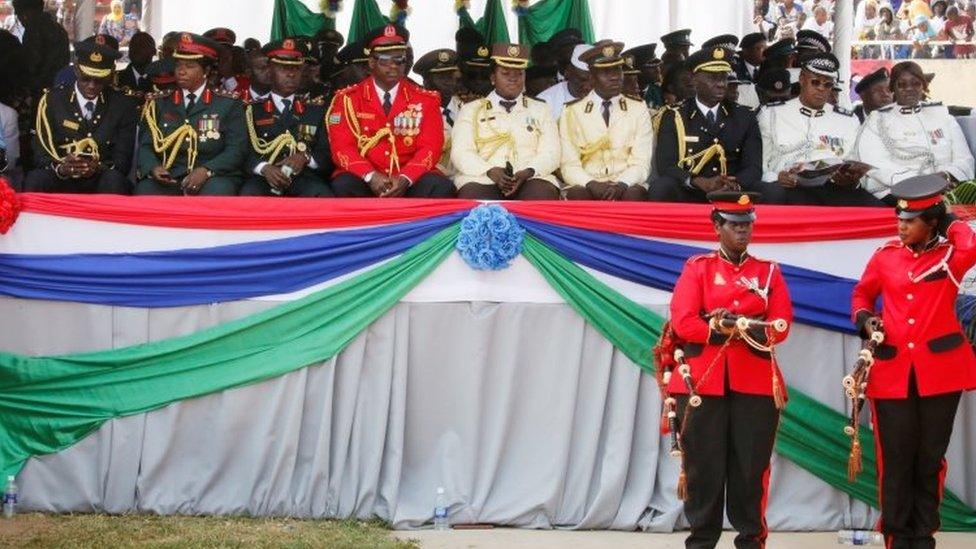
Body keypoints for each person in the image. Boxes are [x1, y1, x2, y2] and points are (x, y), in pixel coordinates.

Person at [850, 174, 976, 549]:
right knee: (896, 459)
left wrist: (950, 219)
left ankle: (923, 535)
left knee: (930, 458)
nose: (901, 226)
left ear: (931, 222)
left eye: (911, 221)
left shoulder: (951, 257)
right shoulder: (886, 255)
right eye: (899, 220)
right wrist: (864, 318)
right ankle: (896, 535)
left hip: (940, 372)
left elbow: (971, 243)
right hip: (891, 373)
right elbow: (862, 293)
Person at [668, 190, 792, 549]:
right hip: (703, 383)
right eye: (735, 226)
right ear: (717, 227)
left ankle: (750, 540)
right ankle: (702, 541)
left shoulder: (768, 272)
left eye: (747, 225)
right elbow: (683, 322)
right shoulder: (698, 268)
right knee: (702, 469)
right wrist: (718, 328)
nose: (743, 232)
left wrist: (743, 326)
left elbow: (782, 325)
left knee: (749, 469)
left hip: (754, 382)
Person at [326, 24, 454, 198]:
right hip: (365, 178)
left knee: (440, 186)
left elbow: (430, 147)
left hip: (409, 179)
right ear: (371, 62)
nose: (393, 66)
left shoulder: (426, 100)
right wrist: (371, 176)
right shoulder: (347, 99)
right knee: (343, 185)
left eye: (399, 60)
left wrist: (405, 178)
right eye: (385, 60)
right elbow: (342, 148)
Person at [756, 53, 883, 206]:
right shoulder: (772, 114)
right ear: (802, 79)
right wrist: (776, 177)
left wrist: (851, 180)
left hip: (835, 189)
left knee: (880, 211)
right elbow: (759, 163)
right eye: (815, 82)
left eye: (828, 85)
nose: (821, 89)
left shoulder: (848, 120)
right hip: (789, 188)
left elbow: (855, 163)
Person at [135, 32, 246, 196]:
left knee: (217, 194)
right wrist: (154, 168)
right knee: (145, 192)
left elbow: (236, 149)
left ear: (206, 71)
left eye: (190, 66)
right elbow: (146, 145)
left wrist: (207, 170)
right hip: (170, 174)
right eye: (179, 65)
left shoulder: (228, 103)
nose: (181, 71)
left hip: (213, 176)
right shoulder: (159, 102)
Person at [649, 47, 763, 203]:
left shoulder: (744, 115)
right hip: (692, 190)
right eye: (713, 78)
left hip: (733, 191)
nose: (721, 84)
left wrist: (734, 182)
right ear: (694, 80)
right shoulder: (674, 116)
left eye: (724, 77)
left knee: (770, 191)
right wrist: (698, 181)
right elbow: (666, 166)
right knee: (662, 187)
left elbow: (754, 166)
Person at [23, 37, 134, 193]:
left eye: (99, 80)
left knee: (115, 181)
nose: (91, 85)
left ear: (110, 75)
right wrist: (62, 168)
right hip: (61, 175)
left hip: (100, 178)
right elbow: (40, 151)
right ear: (76, 69)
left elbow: (122, 159)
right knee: (36, 179)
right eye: (86, 78)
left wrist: (98, 167)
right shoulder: (52, 100)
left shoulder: (121, 104)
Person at [853, 61, 974, 204]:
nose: (909, 89)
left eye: (916, 83)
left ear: (923, 85)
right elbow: (875, 163)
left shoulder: (942, 115)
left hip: (947, 186)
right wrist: (924, 183)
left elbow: (964, 159)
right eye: (902, 85)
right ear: (893, 88)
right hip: (899, 191)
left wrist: (945, 176)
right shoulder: (877, 120)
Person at [450, 43, 560, 200]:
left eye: (519, 74)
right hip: (483, 176)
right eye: (506, 74)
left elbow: (552, 151)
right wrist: (490, 170)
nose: (513, 79)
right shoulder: (471, 109)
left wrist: (529, 171)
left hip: (530, 176)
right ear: (493, 78)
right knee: (472, 201)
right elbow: (461, 152)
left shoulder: (541, 109)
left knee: (542, 196)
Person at [559, 40, 652, 201]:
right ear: (591, 77)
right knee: (578, 196)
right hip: (587, 182)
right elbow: (569, 164)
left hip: (627, 182)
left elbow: (641, 162)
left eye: (617, 69)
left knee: (634, 195)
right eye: (606, 72)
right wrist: (591, 183)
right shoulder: (572, 111)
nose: (615, 77)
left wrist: (622, 183)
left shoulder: (638, 108)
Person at [240, 39, 332, 197]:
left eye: (296, 68)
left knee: (322, 196)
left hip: (305, 177)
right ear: (270, 71)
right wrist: (263, 167)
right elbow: (241, 150)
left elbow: (327, 153)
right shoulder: (250, 110)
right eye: (283, 68)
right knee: (249, 198)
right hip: (264, 177)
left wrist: (305, 158)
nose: (291, 74)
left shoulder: (316, 110)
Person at [414, 48, 461, 177]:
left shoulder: (467, 109)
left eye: (450, 76)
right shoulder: (416, 114)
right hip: (433, 178)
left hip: (465, 178)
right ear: (426, 82)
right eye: (441, 77)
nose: (448, 82)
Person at [14, 0, 69, 101]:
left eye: (18, 15)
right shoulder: (59, 29)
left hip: (39, 91)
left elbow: (32, 65)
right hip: (59, 90)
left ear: (25, 14)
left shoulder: (33, 30)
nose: (20, 20)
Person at [537, 43, 591, 120]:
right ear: (567, 73)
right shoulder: (545, 102)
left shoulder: (607, 98)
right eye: (581, 80)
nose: (587, 87)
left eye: (593, 80)